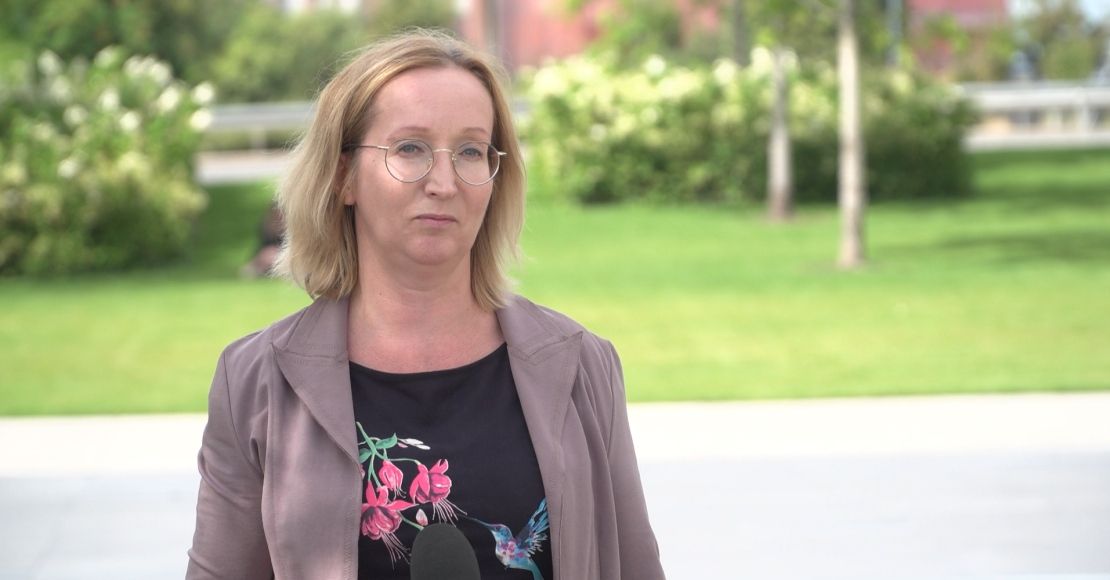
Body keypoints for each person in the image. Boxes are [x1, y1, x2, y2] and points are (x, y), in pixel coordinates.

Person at [186, 30, 665, 580]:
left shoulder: (581, 364)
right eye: (410, 148)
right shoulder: (256, 383)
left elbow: (635, 566)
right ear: (343, 177)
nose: (444, 182)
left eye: (470, 151)